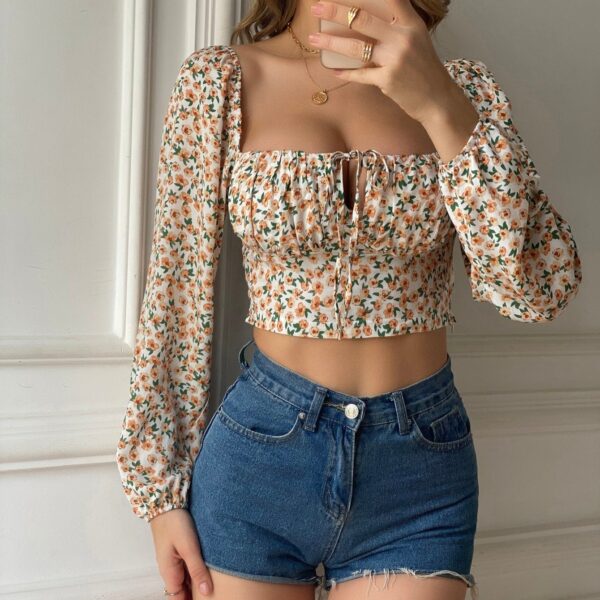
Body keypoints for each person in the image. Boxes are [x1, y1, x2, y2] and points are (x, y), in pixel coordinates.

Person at [115, 1, 583, 599]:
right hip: (261, 455)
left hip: (419, 470)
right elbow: (177, 289)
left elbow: (539, 290)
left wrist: (439, 104)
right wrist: (161, 497)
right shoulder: (220, 82)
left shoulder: (465, 89)